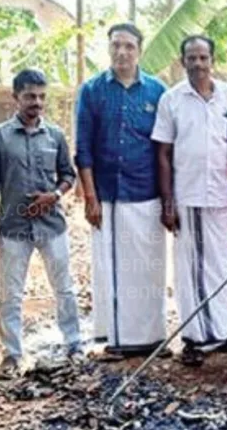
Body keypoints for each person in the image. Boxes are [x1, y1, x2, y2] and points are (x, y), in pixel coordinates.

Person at [152, 35, 227, 367]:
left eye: (203, 57)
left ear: (212, 60)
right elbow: (163, 154)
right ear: (182, 61)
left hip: (223, 194)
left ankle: (222, 332)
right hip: (189, 195)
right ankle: (195, 338)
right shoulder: (172, 99)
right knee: (191, 270)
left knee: (223, 263)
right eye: (191, 58)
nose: (198, 64)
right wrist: (168, 202)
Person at [75, 23, 170, 359]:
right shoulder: (92, 91)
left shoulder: (157, 92)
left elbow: (166, 148)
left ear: (139, 50)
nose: (122, 52)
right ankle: (117, 339)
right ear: (108, 48)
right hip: (109, 196)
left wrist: (169, 200)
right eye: (116, 45)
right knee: (114, 269)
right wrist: (90, 197)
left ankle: (152, 338)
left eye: (129, 46)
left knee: (150, 270)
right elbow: (83, 148)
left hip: (148, 193)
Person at [0, 69, 81, 378]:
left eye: (41, 97)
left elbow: (69, 175)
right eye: (29, 96)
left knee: (64, 288)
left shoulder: (55, 135)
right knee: (11, 294)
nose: (36, 102)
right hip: (14, 228)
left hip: (52, 226)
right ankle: (12, 354)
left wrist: (54, 195)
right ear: (16, 97)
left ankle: (74, 344)